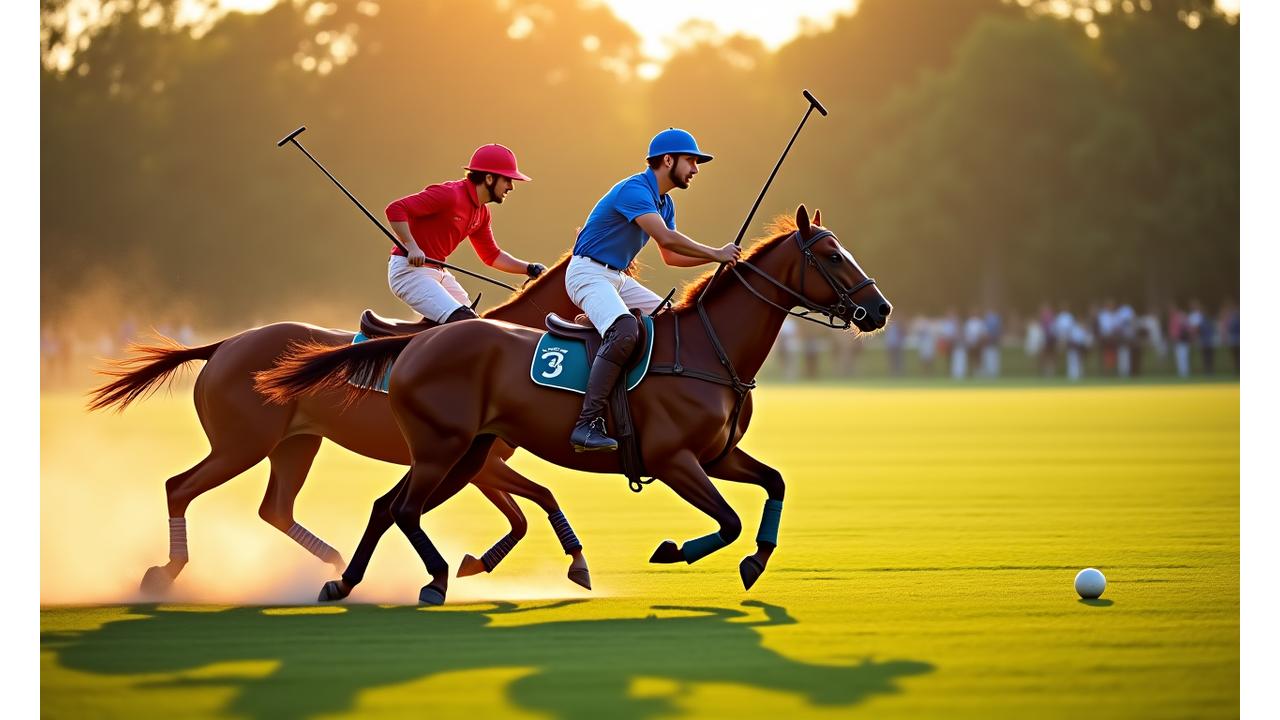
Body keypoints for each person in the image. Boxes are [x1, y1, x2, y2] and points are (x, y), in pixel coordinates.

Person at [565, 128, 742, 452]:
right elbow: (666, 238)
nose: (695, 169)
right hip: (586, 273)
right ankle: (586, 424)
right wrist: (717, 252)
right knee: (625, 330)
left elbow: (671, 256)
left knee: (673, 320)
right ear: (668, 160)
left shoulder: (665, 202)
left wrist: (718, 261)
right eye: (691, 160)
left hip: (616, 278)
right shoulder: (635, 190)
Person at [384, 144, 547, 324]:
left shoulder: (482, 213)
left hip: (437, 273)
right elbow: (396, 209)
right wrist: (411, 246)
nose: (511, 187)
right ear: (489, 178)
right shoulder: (450, 194)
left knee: (479, 324)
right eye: (507, 180)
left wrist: (529, 268)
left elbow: (491, 255)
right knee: (465, 322)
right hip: (409, 271)